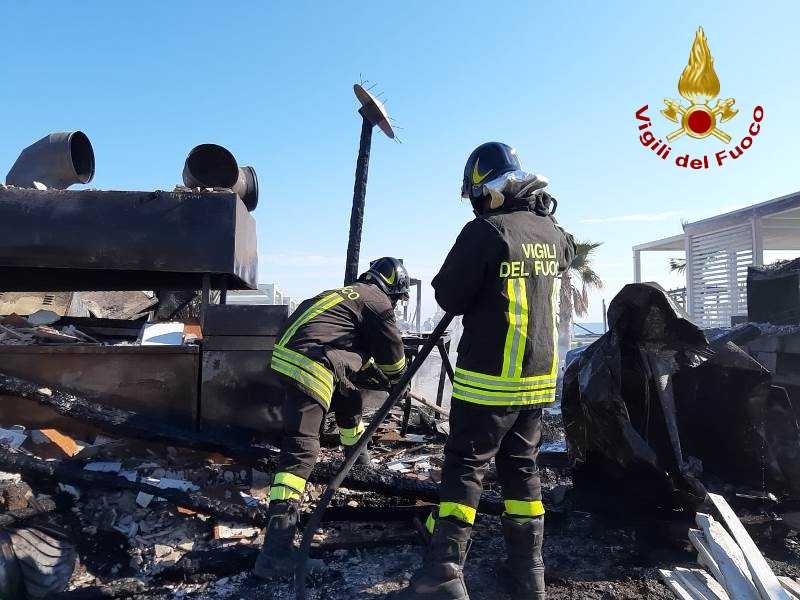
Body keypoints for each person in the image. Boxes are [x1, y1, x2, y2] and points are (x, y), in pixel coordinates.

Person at [398, 143, 576, 600]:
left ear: (489, 191)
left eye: (476, 195)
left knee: (465, 470)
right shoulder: (553, 233)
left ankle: (443, 573)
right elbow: (567, 253)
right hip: (536, 384)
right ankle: (529, 574)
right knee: (522, 470)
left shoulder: (486, 231)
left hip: (488, 381)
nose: (475, 205)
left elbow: (448, 295)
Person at [254, 257, 410, 579]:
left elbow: (342, 349)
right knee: (301, 451)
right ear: (392, 290)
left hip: (290, 354)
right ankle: (276, 553)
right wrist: (397, 381)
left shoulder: (346, 294)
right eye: (397, 298)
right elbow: (394, 363)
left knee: (348, 394)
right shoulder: (378, 302)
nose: (394, 304)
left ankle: (359, 462)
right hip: (310, 363)